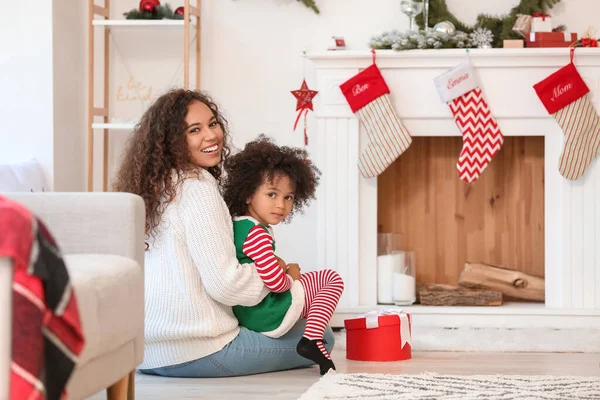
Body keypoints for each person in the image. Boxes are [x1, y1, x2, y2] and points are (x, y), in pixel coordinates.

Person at [112, 89, 335, 377]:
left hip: (147, 354)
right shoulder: (198, 187)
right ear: (172, 142)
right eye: (195, 130)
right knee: (323, 336)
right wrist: (277, 276)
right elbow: (226, 285)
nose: (211, 135)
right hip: (199, 351)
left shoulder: (155, 187)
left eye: (213, 123)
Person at [222, 135, 344, 375]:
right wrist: (291, 275)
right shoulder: (256, 233)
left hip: (253, 310)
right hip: (264, 312)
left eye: (288, 197)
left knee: (317, 298)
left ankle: (314, 340)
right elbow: (275, 283)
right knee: (331, 280)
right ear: (247, 194)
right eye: (272, 194)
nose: (281, 205)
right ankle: (310, 341)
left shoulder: (242, 226)